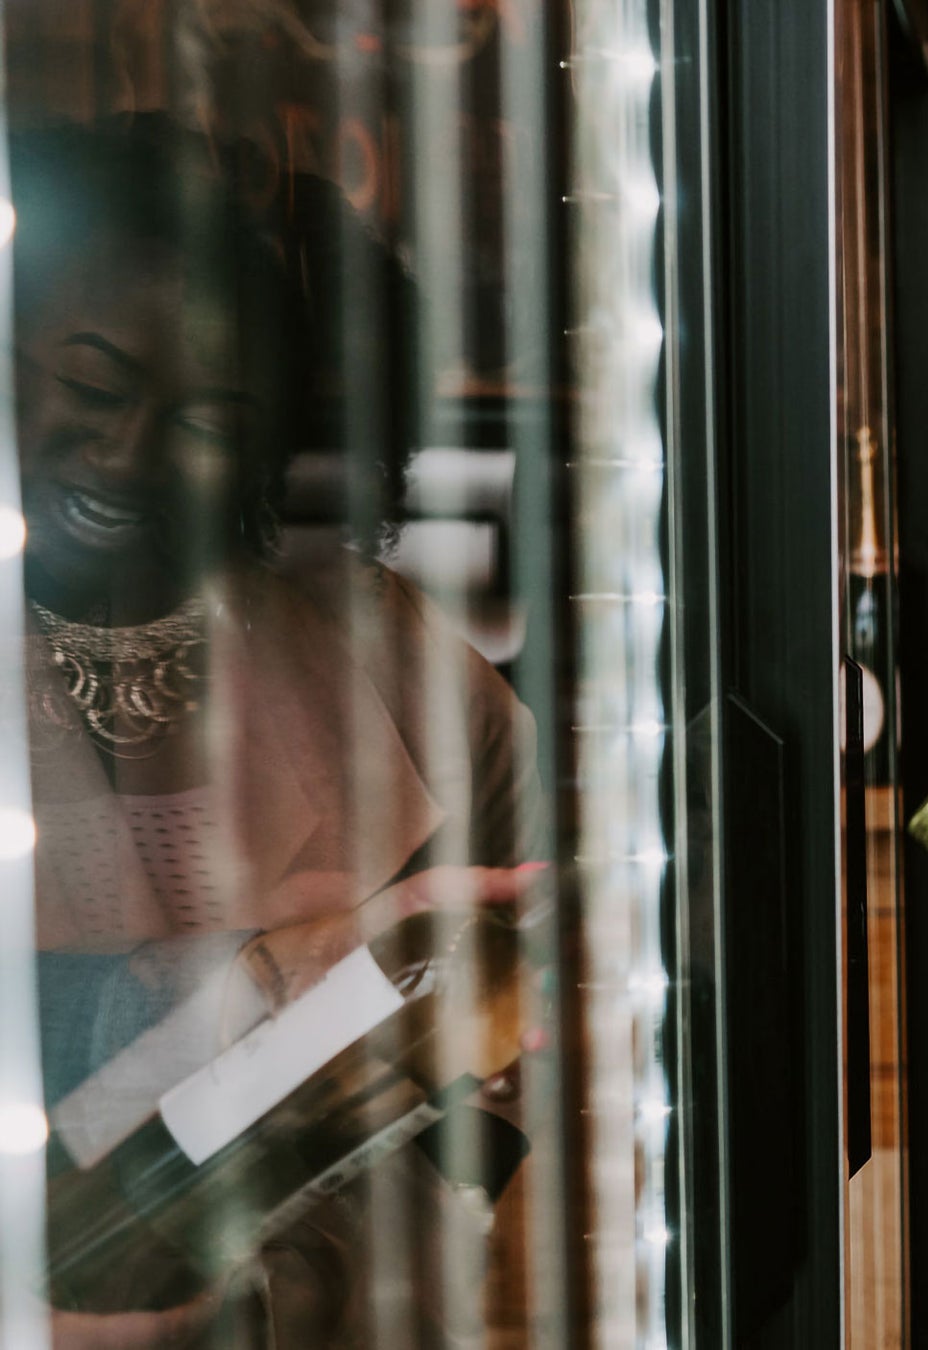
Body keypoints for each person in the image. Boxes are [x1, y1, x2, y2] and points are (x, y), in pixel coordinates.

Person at [20, 119, 540, 1347]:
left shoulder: (374, 650)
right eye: (93, 387)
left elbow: (584, 922)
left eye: (207, 421)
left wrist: (458, 1142)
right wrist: (260, 979)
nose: (128, 452)